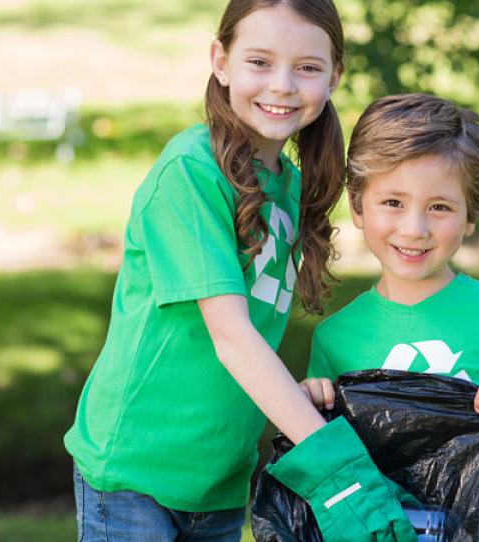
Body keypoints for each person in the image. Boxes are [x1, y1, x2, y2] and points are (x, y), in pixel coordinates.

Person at [63, 2, 416, 541]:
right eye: (259, 61)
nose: (282, 85)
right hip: (136, 468)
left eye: (307, 67)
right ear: (220, 62)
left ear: (334, 76)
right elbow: (231, 335)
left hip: (221, 477)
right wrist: (336, 470)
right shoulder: (191, 171)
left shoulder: (291, 187)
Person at [301, 93, 479, 541]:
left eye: (439, 207)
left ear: (470, 216)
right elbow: (325, 455)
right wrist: (311, 397)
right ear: (357, 207)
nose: (414, 229)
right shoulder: (336, 336)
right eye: (392, 203)